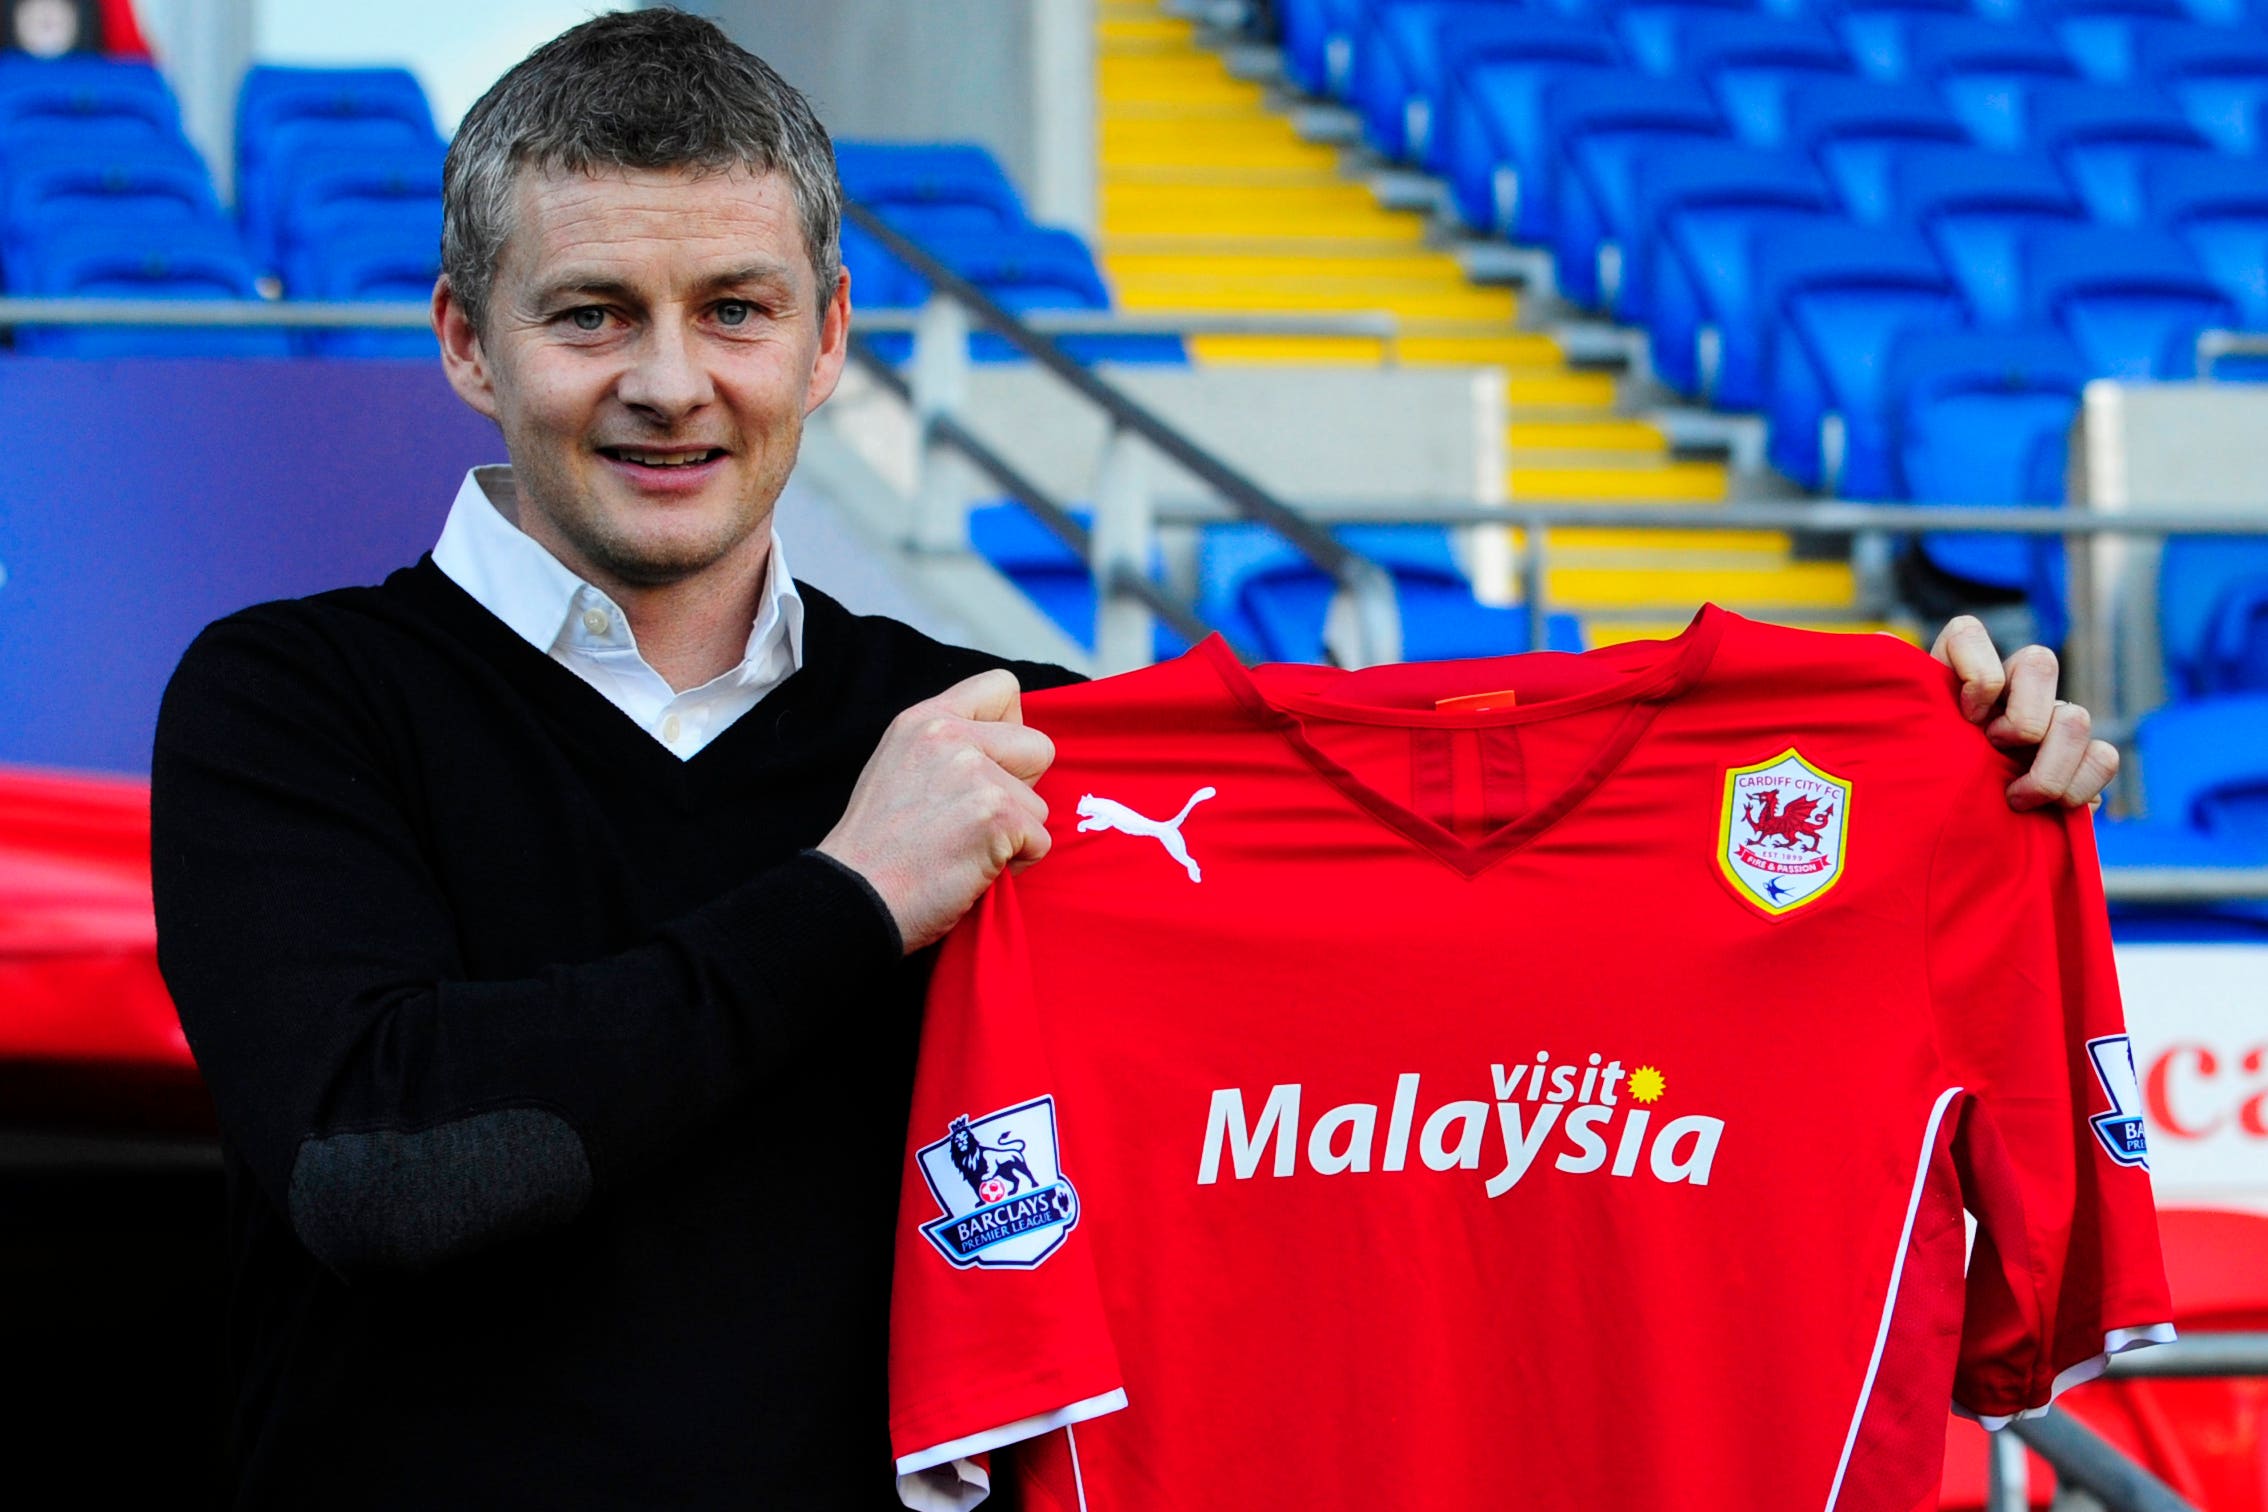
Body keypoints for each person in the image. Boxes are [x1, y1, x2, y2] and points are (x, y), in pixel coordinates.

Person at [149, 10, 2118, 1511]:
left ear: (829, 340)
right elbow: (380, 1171)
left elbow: (1424, 971)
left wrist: (1915, 769)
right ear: (467, 344)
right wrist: (852, 898)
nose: (672, 382)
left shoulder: (1022, 727)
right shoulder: (290, 701)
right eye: (593, 316)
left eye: (733, 310)